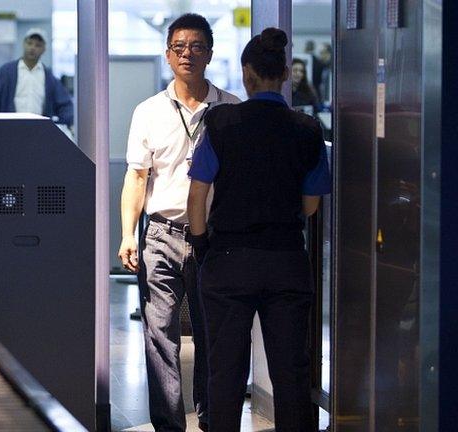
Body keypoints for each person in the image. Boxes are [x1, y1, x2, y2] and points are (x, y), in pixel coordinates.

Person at [187, 27, 331, 432]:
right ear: (285, 75)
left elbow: (197, 196)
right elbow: (311, 203)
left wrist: (203, 247)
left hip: (228, 261)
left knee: (225, 372)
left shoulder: (221, 123)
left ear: (247, 75)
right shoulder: (306, 129)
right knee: (290, 373)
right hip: (286, 260)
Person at [117, 13, 240, 432]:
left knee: (214, 336)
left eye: (196, 46)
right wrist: (126, 235)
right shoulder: (149, 111)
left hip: (216, 239)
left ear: (210, 53)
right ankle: (170, 426)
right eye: (179, 47)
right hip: (161, 235)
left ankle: (211, 418)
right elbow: (136, 177)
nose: (187, 54)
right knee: (159, 338)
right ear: (168, 54)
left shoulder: (232, 110)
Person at [0, 28, 73, 127]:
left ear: (44, 49)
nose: (32, 48)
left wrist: (66, 123)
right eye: (29, 43)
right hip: (10, 131)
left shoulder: (49, 77)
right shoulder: (6, 72)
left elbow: (65, 105)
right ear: (23, 44)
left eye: (38, 45)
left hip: (40, 132)